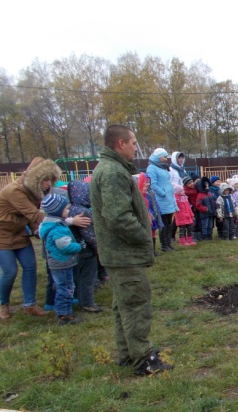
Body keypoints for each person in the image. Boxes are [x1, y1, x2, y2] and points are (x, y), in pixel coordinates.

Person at [90, 124, 172, 376]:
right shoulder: (113, 172)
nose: (137, 148)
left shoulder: (111, 169)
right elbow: (118, 217)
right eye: (134, 143)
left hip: (118, 253)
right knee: (136, 305)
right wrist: (143, 237)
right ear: (120, 144)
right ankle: (143, 359)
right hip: (124, 254)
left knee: (123, 306)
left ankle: (127, 354)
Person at [0, 157, 90, 320]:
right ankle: (3, 304)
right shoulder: (14, 191)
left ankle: (29, 305)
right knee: (10, 271)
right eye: (46, 180)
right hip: (2, 235)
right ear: (36, 179)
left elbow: (31, 218)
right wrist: (70, 220)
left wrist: (36, 230)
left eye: (51, 180)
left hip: (20, 233)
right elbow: (36, 214)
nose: (49, 184)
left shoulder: (34, 191)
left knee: (30, 267)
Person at [39, 194, 84, 325]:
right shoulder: (58, 229)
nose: (68, 211)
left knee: (61, 286)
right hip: (62, 262)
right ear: (57, 211)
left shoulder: (50, 224)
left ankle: (61, 308)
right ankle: (65, 315)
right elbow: (65, 247)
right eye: (66, 209)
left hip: (56, 262)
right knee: (66, 288)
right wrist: (79, 246)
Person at [67, 180, 101, 313]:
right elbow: (89, 234)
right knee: (88, 277)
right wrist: (98, 247)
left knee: (79, 276)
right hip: (86, 250)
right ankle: (87, 303)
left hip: (75, 250)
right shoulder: (83, 212)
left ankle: (79, 299)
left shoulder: (70, 209)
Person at [146, 148, 178, 252]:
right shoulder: (152, 168)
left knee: (169, 222)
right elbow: (152, 183)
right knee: (163, 223)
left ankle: (168, 243)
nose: (166, 159)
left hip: (168, 199)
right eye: (164, 157)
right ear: (158, 157)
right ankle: (164, 244)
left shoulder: (163, 167)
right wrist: (162, 193)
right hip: (161, 199)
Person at [194, 177, 213, 241]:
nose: (207, 187)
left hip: (210, 212)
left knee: (210, 225)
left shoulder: (209, 194)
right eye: (206, 186)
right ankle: (205, 236)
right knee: (205, 225)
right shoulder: (200, 195)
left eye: (208, 185)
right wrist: (205, 209)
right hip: (204, 214)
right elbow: (198, 205)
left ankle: (209, 235)